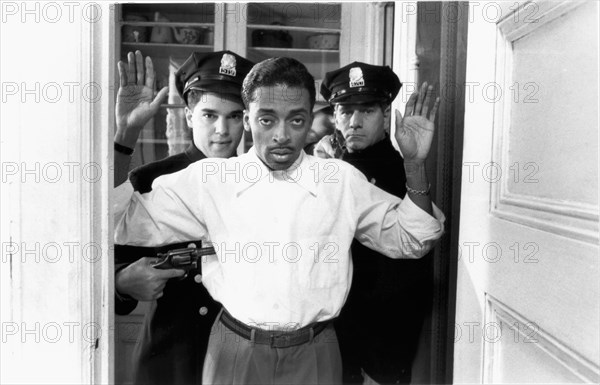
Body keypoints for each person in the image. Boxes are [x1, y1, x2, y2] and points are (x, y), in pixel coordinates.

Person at [113, 56, 444, 385]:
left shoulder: (340, 180)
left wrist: (414, 163)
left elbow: (413, 240)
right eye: (267, 120)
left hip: (316, 352)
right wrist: (125, 135)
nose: (282, 136)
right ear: (247, 120)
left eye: (296, 121)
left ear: (310, 119)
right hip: (236, 353)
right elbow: (120, 222)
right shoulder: (210, 180)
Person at [112, 50, 254, 385]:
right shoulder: (151, 179)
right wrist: (121, 282)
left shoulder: (259, 181)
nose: (222, 130)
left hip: (240, 360)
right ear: (189, 115)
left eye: (234, 116)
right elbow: (110, 240)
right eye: (209, 115)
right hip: (168, 358)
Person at [319, 62, 433, 384]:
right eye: (345, 111)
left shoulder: (402, 172)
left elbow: (414, 255)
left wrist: (382, 364)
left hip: (375, 344)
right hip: (328, 333)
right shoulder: (329, 163)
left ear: (385, 115)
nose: (354, 122)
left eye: (366, 111)